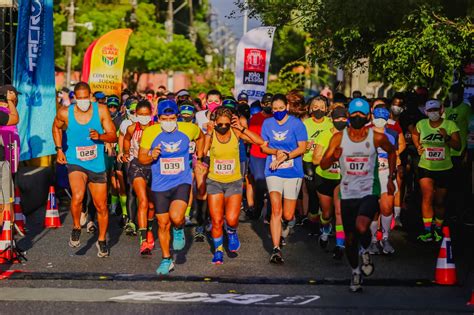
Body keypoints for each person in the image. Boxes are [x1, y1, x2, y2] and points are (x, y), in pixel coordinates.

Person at [320, 98, 396, 292]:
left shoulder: (376, 137)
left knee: (362, 225)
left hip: (369, 191)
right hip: (347, 193)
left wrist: (391, 177)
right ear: (348, 116)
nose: (358, 118)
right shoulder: (338, 138)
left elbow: (392, 151)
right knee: (350, 239)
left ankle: (366, 247)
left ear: (368, 117)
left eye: (362, 115)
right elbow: (323, 164)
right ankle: (356, 271)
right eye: (354, 114)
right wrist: (333, 157)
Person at [52, 82, 117, 257]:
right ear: (75, 98)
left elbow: (114, 135)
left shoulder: (101, 110)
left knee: (101, 205)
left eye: (85, 97)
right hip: (76, 161)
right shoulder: (65, 112)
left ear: (90, 96)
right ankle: (76, 226)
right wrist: (59, 149)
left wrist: (100, 136)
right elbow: (56, 128)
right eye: (79, 98)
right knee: (78, 196)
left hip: (96, 163)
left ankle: (102, 240)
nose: (82, 101)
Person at [139, 100, 204, 274]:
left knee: (175, 217)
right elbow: (141, 158)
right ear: (158, 118)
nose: (168, 120)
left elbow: (202, 137)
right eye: (164, 117)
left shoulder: (188, 129)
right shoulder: (150, 132)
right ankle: (167, 259)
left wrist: (201, 156)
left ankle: (178, 228)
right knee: (162, 223)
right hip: (160, 184)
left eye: (172, 117)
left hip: (181, 181)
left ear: (178, 116)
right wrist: (151, 155)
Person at [204, 106, 263, 264]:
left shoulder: (236, 132)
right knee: (216, 220)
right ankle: (218, 251)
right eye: (220, 124)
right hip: (214, 181)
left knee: (231, 219)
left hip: (234, 181)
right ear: (214, 122)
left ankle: (231, 231)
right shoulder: (211, 133)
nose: (223, 127)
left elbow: (259, 141)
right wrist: (209, 132)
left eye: (226, 124)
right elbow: (202, 152)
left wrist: (242, 128)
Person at [260, 94, 308, 264]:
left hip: (293, 172)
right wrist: (275, 153)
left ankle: (287, 223)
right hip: (273, 170)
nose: (278, 111)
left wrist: (286, 156)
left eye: (281, 108)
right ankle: (276, 248)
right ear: (271, 109)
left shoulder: (296, 124)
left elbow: (302, 147)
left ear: (287, 107)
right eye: (275, 109)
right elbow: (264, 147)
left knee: (287, 214)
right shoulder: (267, 124)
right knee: (275, 210)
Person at [412, 99, 461, 242]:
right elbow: (415, 134)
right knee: (427, 197)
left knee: (439, 201)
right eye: (430, 111)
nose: (433, 113)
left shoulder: (450, 124)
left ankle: (438, 229)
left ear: (441, 110)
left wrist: (446, 137)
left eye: (436, 110)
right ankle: (427, 230)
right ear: (426, 112)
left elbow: (458, 146)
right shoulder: (421, 124)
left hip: (444, 168)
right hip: (426, 166)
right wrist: (417, 146)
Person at [121, 100, 156, 255]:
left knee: (151, 205)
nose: (143, 117)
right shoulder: (131, 128)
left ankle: (148, 228)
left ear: (151, 114)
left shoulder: (157, 129)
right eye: (140, 115)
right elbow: (126, 139)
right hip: (136, 166)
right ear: (136, 115)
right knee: (142, 200)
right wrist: (126, 152)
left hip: (154, 167)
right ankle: (143, 240)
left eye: (146, 114)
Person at [312, 105, 347, 258]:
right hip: (324, 177)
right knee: (327, 213)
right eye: (338, 118)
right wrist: (332, 157)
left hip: (342, 178)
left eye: (344, 118)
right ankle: (325, 229)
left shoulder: (351, 136)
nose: (341, 121)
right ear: (332, 120)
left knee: (339, 211)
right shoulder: (324, 135)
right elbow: (315, 160)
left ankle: (340, 245)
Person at [368, 107, 399, 255]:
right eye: (377, 116)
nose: (379, 120)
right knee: (373, 209)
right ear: (372, 117)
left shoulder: (392, 134)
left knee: (386, 207)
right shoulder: (365, 133)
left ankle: (385, 238)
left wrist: (392, 175)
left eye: (383, 117)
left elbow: (395, 155)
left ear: (388, 119)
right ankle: (373, 240)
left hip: (386, 173)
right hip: (370, 176)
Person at [303, 96, 333, 228]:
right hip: (308, 160)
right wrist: (305, 146)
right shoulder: (305, 123)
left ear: (326, 109)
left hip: (324, 161)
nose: (318, 110)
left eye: (321, 107)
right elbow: (297, 142)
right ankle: (312, 219)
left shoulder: (330, 123)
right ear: (310, 109)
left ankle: (325, 219)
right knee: (312, 191)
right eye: (315, 107)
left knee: (324, 193)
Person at [444, 83, 471, 220]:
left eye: (454, 92)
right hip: (447, 153)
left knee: (459, 184)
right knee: (448, 184)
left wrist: (467, 151)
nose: (452, 95)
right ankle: (449, 211)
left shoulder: (466, 109)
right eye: (450, 92)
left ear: (460, 94)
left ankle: (460, 211)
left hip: (460, 152)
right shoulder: (447, 110)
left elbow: (470, 130)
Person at [246, 94, 273, 221]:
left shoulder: (277, 118)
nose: (268, 105)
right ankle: (257, 209)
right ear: (262, 104)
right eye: (266, 103)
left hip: (273, 155)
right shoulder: (256, 118)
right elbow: (252, 137)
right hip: (257, 154)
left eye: (270, 103)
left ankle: (270, 213)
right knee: (260, 183)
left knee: (272, 184)